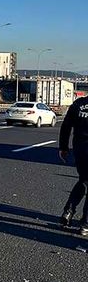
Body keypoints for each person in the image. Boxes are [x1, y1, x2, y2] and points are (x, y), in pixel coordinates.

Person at [59, 96, 88, 235]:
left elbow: (66, 125)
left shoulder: (78, 104)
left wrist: (63, 147)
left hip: (80, 148)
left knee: (84, 180)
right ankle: (85, 224)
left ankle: (68, 212)